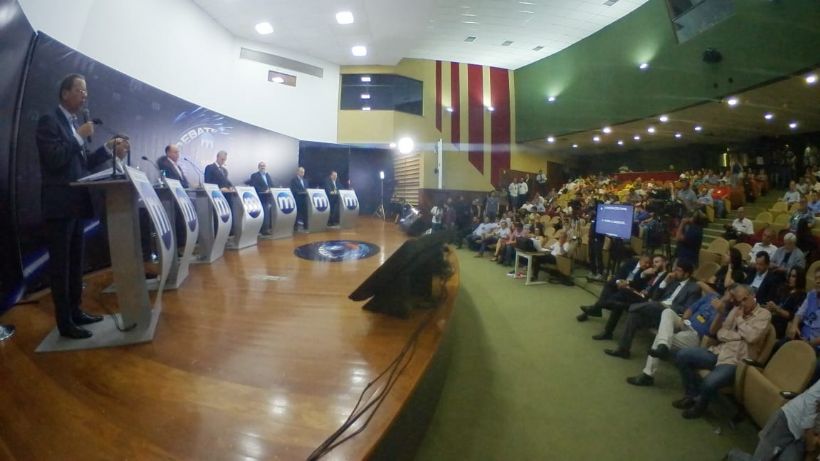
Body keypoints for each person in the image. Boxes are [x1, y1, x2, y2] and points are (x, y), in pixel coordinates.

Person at [36, 73, 112, 339]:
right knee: (61, 266)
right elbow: (54, 158)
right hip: (59, 206)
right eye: (80, 90)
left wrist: (107, 150)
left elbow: (84, 163)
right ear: (65, 93)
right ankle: (65, 323)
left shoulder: (74, 124)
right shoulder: (50, 121)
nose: (85, 95)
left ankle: (76, 311)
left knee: (75, 262)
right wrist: (79, 137)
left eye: (86, 91)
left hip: (78, 204)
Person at [674, 284, 771, 419]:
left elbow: (752, 337)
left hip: (736, 361)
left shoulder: (764, 314)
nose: (742, 304)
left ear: (753, 296)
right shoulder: (736, 309)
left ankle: (699, 407)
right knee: (682, 355)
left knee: (709, 383)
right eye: (739, 301)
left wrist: (739, 320)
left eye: (745, 299)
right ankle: (691, 395)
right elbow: (720, 333)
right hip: (719, 351)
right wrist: (739, 336)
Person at [604, 261, 702, 359]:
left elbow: (687, 308)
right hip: (656, 312)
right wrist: (664, 282)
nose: (675, 272)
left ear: (686, 274)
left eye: (678, 270)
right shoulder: (673, 282)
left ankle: (628, 307)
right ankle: (623, 350)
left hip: (671, 316)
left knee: (654, 305)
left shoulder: (694, 288)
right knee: (634, 315)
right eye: (675, 269)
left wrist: (667, 306)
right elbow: (655, 297)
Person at [726, 379, 820, 461]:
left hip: (801, 437)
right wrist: (809, 435)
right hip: (787, 420)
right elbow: (810, 401)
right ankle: (733, 456)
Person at [249, 162, 274, 235]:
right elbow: (254, 186)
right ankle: (263, 230)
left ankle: (267, 229)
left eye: (264, 166)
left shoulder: (267, 175)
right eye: (261, 166)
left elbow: (271, 184)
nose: (263, 167)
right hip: (260, 197)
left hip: (268, 197)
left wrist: (271, 189)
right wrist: (264, 190)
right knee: (263, 214)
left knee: (267, 214)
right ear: (258, 167)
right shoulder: (254, 175)